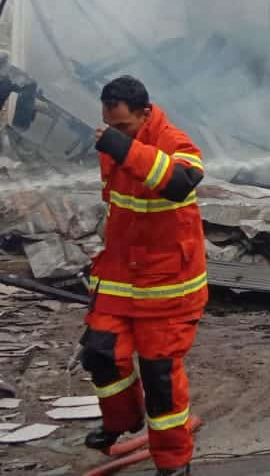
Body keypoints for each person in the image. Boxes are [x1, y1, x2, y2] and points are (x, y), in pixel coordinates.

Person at [80, 76, 207, 476]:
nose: (114, 134)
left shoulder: (176, 142)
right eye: (109, 126)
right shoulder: (115, 146)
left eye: (123, 126)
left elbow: (180, 183)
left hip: (168, 287)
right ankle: (121, 423)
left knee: (160, 380)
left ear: (145, 113)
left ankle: (173, 463)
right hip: (120, 277)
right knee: (100, 353)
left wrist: (124, 147)